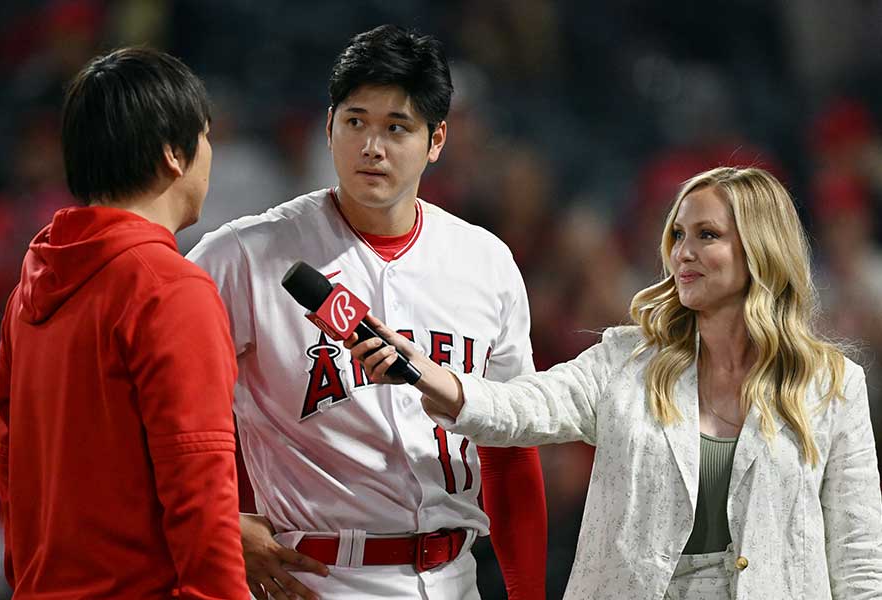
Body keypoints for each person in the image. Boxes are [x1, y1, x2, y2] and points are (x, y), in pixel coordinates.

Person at [349, 166, 882, 599]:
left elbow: (859, 559)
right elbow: (522, 406)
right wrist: (429, 375)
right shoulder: (626, 360)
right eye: (677, 235)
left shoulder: (833, 386)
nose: (683, 252)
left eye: (708, 235)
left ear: (760, 249)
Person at [187, 24, 547, 600]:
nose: (371, 147)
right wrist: (219, 523)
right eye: (355, 122)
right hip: (319, 577)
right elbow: (153, 411)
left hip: (456, 576)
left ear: (437, 141)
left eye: (396, 127)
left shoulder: (486, 262)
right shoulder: (242, 255)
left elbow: (510, 449)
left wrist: (527, 593)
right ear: (328, 127)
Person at [0, 47, 249, 599]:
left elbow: (10, 468)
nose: (210, 156)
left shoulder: (27, 292)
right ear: (172, 155)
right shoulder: (169, 288)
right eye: (205, 137)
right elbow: (200, 485)